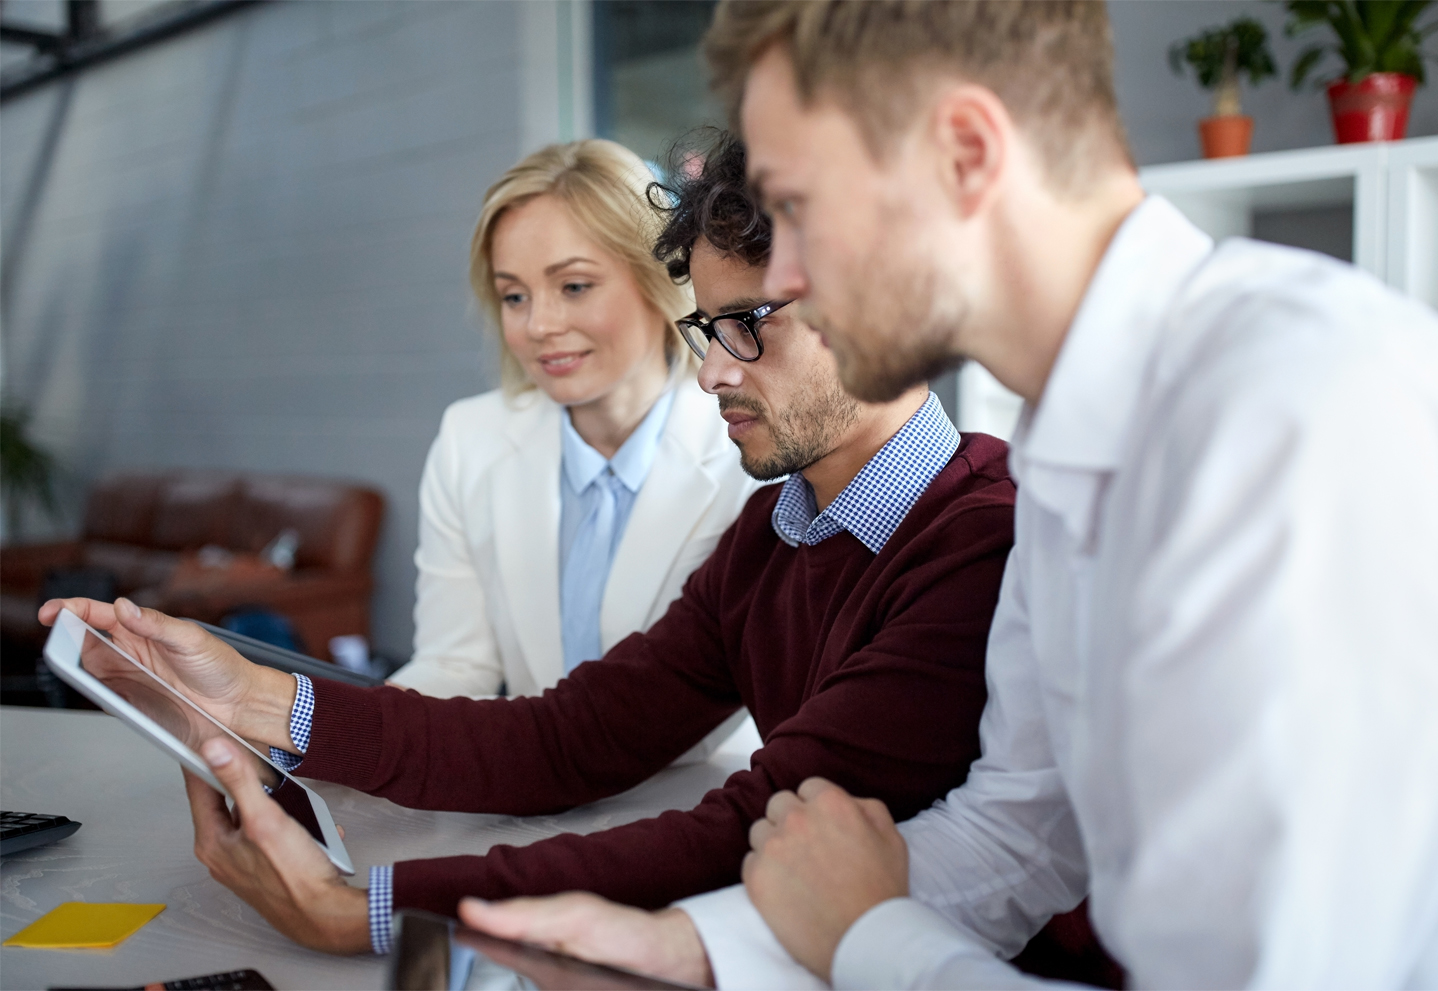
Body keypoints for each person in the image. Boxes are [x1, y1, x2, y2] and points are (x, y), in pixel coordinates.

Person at [458, 2, 1438, 988]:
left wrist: (869, 936)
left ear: (966, 152)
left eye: (802, 208)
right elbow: (1020, 830)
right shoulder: (1064, 440)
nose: (795, 273)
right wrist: (695, 945)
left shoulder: (1294, 412)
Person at [39, 129, 1020, 961]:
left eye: (749, 326)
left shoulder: (980, 542)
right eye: (707, 329)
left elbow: (748, 827)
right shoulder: (776, 531)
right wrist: (251, 693)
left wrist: (370, 911)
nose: (715, 370)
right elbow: (564, 736)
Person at [387, 140, 754, 741]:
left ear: (656, 277)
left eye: (575, 286)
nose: (539, 327)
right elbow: (456, 665)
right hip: (538, 797)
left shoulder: (749, 446)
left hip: (703, 798)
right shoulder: (469, 439)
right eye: (514, 296)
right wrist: (331, 736)